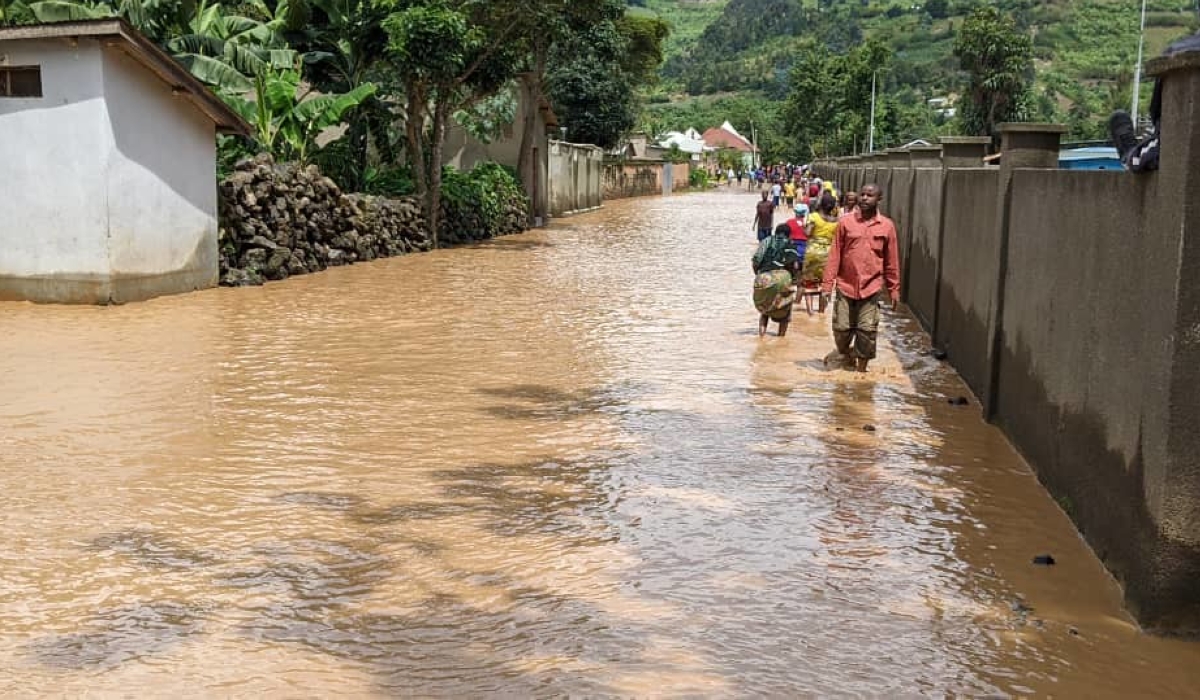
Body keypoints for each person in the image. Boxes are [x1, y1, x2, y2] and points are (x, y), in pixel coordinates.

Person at [820, 184, 900, 372]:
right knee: (841, 328)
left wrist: (894, 289)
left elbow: (892, 261)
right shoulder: (846, 223)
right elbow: (835, 255)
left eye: (869, 195)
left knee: (867, 331)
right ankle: (844, 353)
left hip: (871, 288)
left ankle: (861, 374)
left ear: (879, 199)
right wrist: (826, 286)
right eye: (862, 194)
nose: (864, 198)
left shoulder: (887, 227)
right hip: (845, 285)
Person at [1109, 30, 1200, 172]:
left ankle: (1130, 157)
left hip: (1174, 147)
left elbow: (1156, 111)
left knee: (1150, 153)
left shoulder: (1179, 50)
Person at [752, 223, 802, 337]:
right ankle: (781, 338)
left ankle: (762, 337)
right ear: (789, 235)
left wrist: (758, 275)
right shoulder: (790, 244)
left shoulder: (767, 241)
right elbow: (795, 266)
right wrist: (794, 280)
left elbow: (756, 260)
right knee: (785, 310)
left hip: (764, 277)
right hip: (782, 278)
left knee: (765, 310)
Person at [802, 193, 840, 309]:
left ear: (821, 204)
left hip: (812, 252)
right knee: (825, 283)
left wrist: (805, 227)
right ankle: (821, 312)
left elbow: (808, 233)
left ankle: (810, 313)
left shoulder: (814, 217)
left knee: (809, 282)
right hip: (828, 254)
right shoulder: (837, 221)